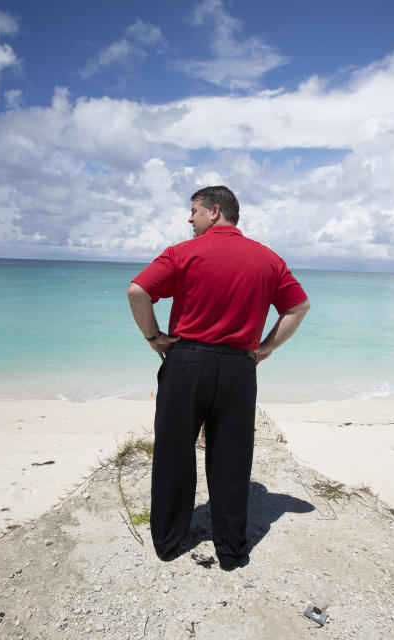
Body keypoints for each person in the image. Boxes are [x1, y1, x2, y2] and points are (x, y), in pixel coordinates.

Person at [127, 185, 310, 570]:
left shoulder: (182, 252)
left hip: (187, 362)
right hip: (239, 368)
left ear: (214, 211)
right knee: (231, 458)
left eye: (193, 210)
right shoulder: (268, 259)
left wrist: (153, 337)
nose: (188, 218)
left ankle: (168, 542)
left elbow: (138, 290)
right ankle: (231, 551)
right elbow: (298, 307)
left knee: (175, 452)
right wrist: (265, 348)